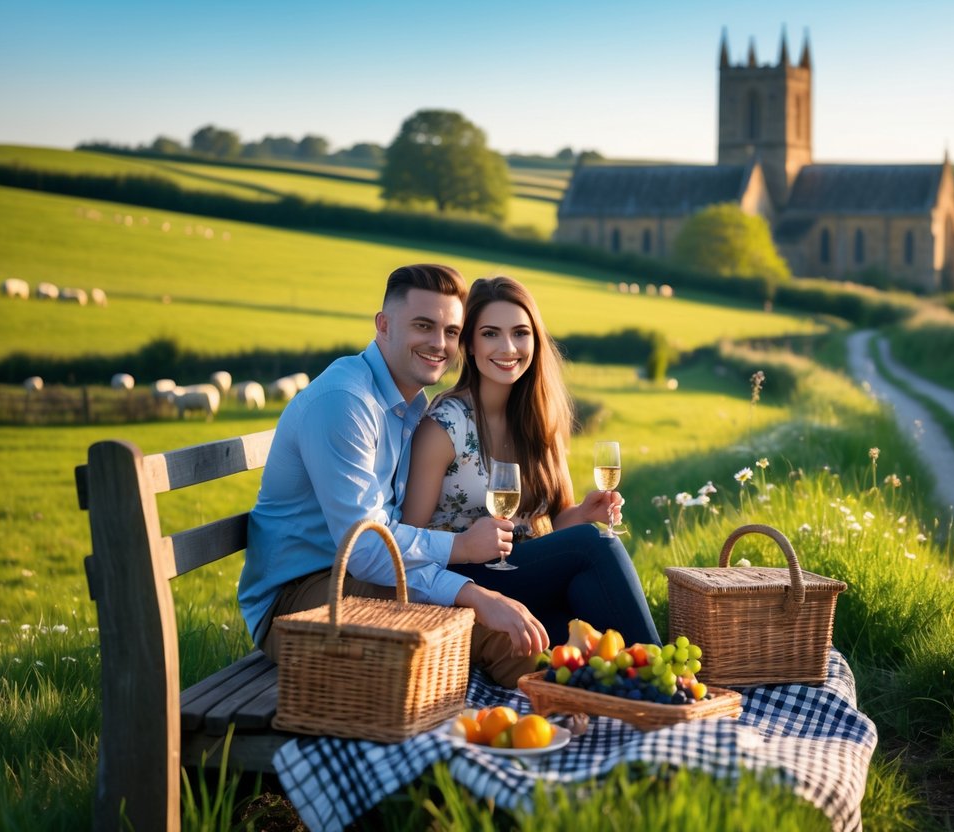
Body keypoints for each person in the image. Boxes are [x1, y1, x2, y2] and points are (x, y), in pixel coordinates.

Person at [238, 264, 538, 673]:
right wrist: (468, 576)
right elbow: (364, 550)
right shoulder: (346, 403)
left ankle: (564, 715)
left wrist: (471, 585)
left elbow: (382, 544)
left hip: (360, 575)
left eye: (451, 332)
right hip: (298, 600)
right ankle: (556, 721)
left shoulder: (407, 404)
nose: (439, 344)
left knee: (515, 626)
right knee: (495, 634)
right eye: (423, 325)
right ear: (384, 325)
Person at [401, 275, 659, 683]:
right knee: (596, 546)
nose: (508, 348)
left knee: (584, 636)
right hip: (465, 585)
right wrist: (469, 548)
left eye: (520, 333)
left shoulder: (539, 420)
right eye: (490, 334)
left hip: (521, 578)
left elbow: (546, 532)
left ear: (535, 341)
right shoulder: (445, 427)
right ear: (469, 344)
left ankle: (646, 700)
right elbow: (407, 545)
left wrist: (579, 515)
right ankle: (666, 673)